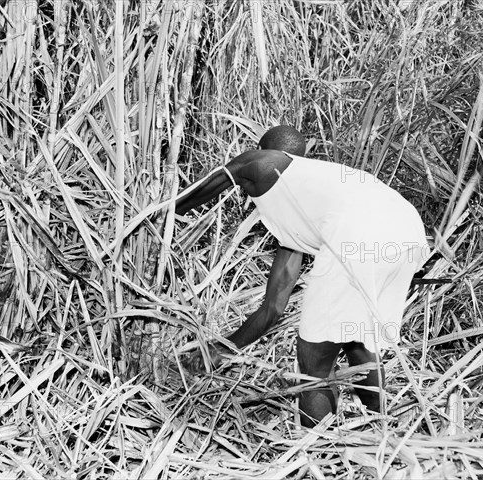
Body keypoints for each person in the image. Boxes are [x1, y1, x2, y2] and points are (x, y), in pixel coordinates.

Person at [175, 125, 430, 427]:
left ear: (266, 149)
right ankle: (379, 429)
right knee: (358, 340)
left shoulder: (265, 161)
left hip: (359, 232)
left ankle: (318, 454)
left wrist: (153, 217)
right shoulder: (312, 195)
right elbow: (272, 309)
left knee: (314, 363)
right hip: (407, 231)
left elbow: (206, 187)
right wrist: (221, 349)